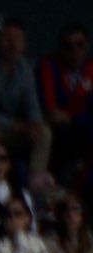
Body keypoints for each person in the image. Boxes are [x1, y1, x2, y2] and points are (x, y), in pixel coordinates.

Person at [0, 19, 50, 176]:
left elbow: (33, 106)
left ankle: (34, 181)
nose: (13, 44)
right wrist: (14, 125)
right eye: (8, 39)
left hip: (13, 130)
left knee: (44, 133)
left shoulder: (25, 68)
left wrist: (35, 123)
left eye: (18, 40)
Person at [37, 24, 93, 173]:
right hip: (59, 129)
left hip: (82, 126)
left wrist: (71, 117)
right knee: (61, 132)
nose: (75, 51)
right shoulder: (49, 65)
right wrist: (72, 117)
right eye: (69, 46)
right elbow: (50, 109)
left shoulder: (91, 68)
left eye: (79, 45)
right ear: (61, 48)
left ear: (87, 46)